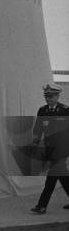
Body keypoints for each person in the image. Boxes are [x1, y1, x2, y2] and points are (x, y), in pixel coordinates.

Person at [30, 83, 69, 214]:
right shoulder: (42, 111)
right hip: (49, 149)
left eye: (51, 96)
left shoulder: (65, 110)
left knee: (51, 178)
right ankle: (42, 206)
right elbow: (38, 128)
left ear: (57, 96)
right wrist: (35, 143)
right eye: (46, 96)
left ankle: (42, 206)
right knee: (62, 176)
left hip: (62, 150)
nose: (48, 99)